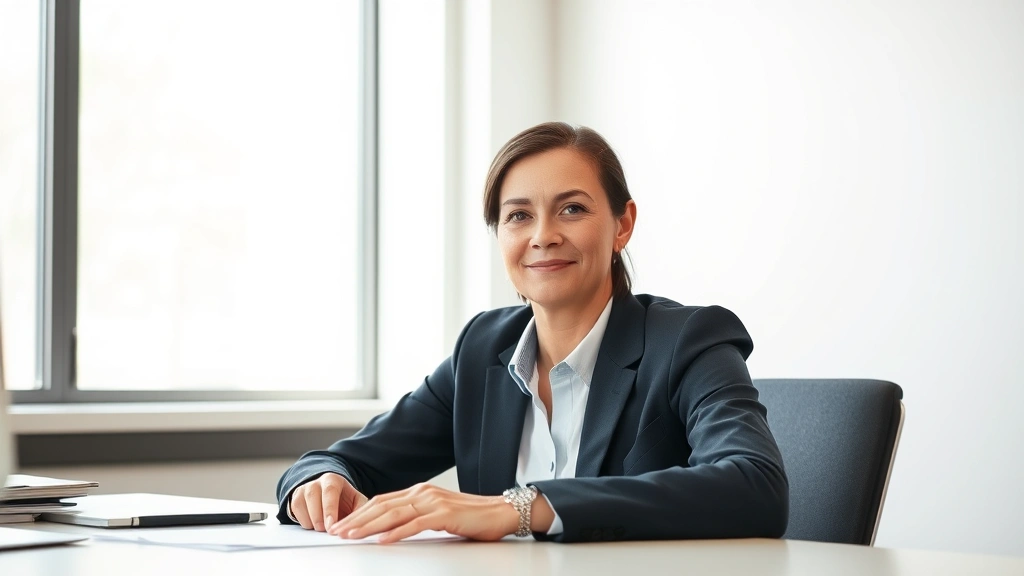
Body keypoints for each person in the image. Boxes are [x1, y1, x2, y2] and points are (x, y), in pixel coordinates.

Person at [276, 122, 788, 543]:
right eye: (519, 215)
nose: (543, 236)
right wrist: (322, 480)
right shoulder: (483, 349)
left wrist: (522, 507)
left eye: (573, 209)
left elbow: (756, 487)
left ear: (622, 225)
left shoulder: (688, 340)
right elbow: (342, 460)